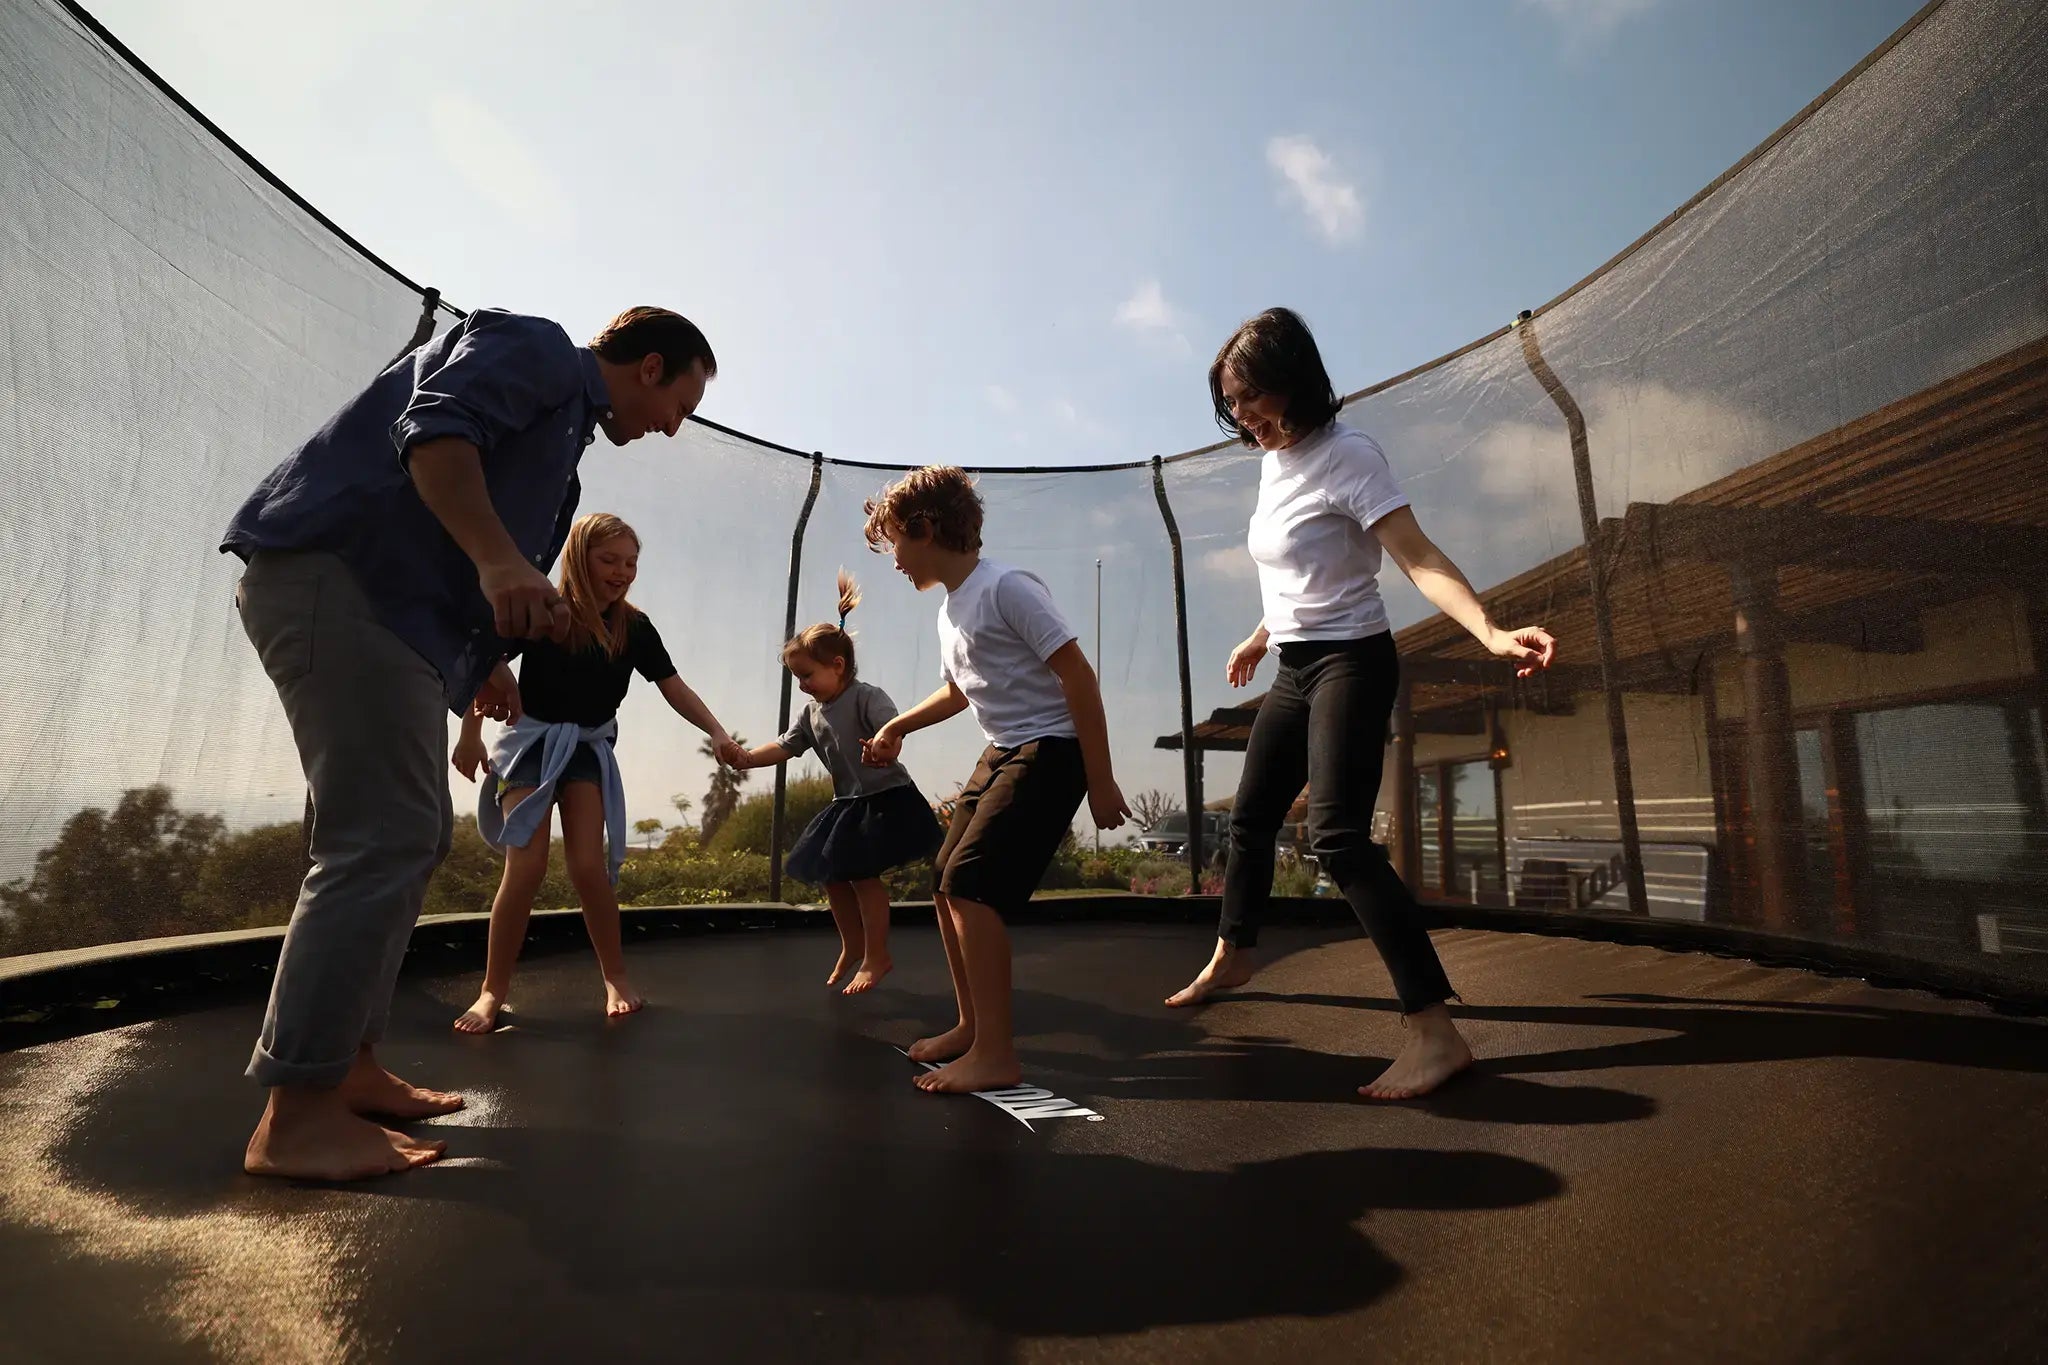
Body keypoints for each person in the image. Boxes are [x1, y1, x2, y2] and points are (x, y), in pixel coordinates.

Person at [221, 305, 715, 1179]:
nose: (677, 424)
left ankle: (352, 1066)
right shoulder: (539, 352)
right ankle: (295, 1116)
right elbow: (435, 430)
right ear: (650, 366)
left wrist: (484, 659)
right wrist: (498, 563)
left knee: (404, 838)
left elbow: (470, 547)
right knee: (384, 835)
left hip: (400, 619)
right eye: (684, 399)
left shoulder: (563, 450)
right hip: (345, 583)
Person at [1164, 307, 1556, 1102]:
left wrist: (1487, 630)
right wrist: (1258, 635)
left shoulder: (1350, 455)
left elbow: (1415, 555)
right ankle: (1234, 949)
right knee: (1249, 817)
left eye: (1252, 399)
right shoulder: (1273, 460)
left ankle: (1435, 1032)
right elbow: (1304, 570)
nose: (1243, 418)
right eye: (1231, 405)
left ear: (1293, 382)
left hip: (1353, 661)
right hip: (1295, 665)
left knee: (1339, 836)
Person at [858, 467, 1131, 1094]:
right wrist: (900, 724)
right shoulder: (952, 609)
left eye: (895, 541)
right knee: (944, 881)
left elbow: (1077, 677)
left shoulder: (1007, 587)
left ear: (925, 529)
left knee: (972, 885)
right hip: (1003, 748)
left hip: (1051, 748)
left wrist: (1101, 778)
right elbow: (960, 691)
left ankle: (997, 1054)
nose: (894, 559)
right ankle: (971, 1027)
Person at [451, 512, 740, 1032]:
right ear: (579, 558)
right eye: (609, 560)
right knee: (528, 865)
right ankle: (492, 990)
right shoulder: (544, 610)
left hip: (586, 748)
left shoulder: (635, 626)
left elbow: (673, 686)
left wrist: (716, 731)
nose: (622, 571)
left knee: (588, 867)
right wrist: (469, 735)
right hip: (531, 743)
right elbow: (485, 664)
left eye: (631, 562)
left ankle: (616, 977)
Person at [730, 570, 943, 995]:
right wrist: (748, 758)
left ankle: (877, 954)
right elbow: (787, 747)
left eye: (807, 675)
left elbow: (892, 732)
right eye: (797, 678)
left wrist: (887, 747)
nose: (803, 685)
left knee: (863, 876)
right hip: (848, 802)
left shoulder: (866, 697)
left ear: (838, 666)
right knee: (832, 874)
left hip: (886, 798)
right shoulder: (812, 714)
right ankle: (853, 946)